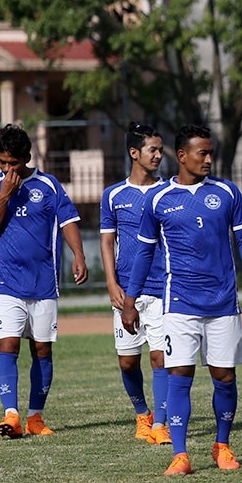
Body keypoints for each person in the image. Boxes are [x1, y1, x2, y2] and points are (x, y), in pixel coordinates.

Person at [122, 124, 242, 475]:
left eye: (211, 152)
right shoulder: (158, 199)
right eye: (203, 153)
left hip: (222, 304)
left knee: (225, 377)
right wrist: (131, 298)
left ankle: (222, 445)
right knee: (179, 375)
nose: (209, 159)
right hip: (179, 304)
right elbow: (143, 253)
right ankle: (181, 454)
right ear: (182, 156)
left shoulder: (227, 193)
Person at [0, 124, 88, 438]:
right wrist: (4, 197)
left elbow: (68, 222)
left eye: (13, 163)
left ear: (27, 157)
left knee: (42, 350)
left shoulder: (49, 185)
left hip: (44, 286)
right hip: (7, 286)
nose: (7, 169)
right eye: (2, 163)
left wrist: (78, 254)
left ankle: (35, 417)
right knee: (8, 346)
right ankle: (11, 415)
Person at [100, 123, 171, 445]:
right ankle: (143, 414)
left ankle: (162, 424)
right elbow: (106, 242)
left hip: (161, 289)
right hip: (126, 289)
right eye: (152, 150)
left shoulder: (169, 191)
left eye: (160, 149)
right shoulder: (113, 195)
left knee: (160, 358)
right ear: (134, 153)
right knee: (128, 362)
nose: (158, 155)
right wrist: (112, 285)